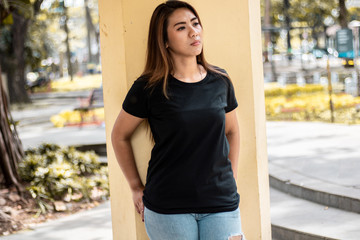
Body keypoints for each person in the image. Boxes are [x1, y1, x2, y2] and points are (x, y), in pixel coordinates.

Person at [111, 1, 244, 239]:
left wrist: (231, 176)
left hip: (221, 203)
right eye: (181, 28)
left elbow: (232, 132)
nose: (194, 31)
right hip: (168, 207)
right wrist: (134, 186)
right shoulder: (148, 88)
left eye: (195, 23)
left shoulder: (220, 80)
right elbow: (119, 135)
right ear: (164, 41)